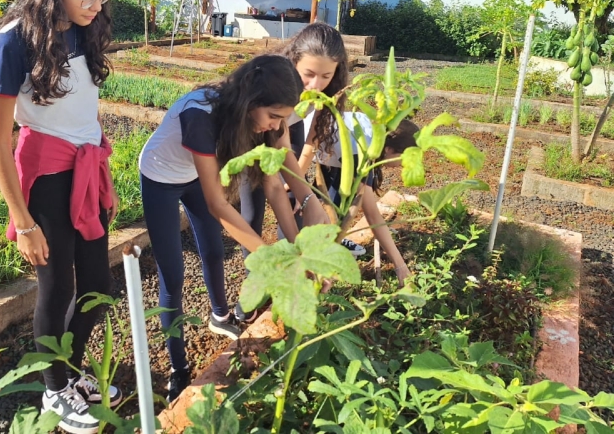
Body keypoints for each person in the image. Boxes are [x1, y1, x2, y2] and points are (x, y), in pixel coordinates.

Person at [0, 0, 121, 434]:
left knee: (98, 286)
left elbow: (84, 107)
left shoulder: (85, 28)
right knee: (57, 288)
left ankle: (69, 371)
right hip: (45, 178)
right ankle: (54, 389)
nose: (95, 4)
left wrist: (103, 174)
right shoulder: (14, 41)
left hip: (87, 170)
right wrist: (22, 221)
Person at [139, 54, 328, 402]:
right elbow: (219, 204)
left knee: (213, 250)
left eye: (282, 119)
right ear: (250, 101)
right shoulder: (201, 115)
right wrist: (274, 262)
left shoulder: (264, 122)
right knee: (173, 275)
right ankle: (178, 367)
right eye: (273, 116)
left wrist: (299, 253)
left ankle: (219, 314)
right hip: (161, 177)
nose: (277, 126)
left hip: (198, 175)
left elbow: (275, 187)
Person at [237, 24, 363, 319]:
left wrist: (297, 182)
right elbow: (270, 168)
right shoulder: (270, 84)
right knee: (251, 212)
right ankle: (255, 284)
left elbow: (311, 138)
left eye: (326, 76)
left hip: (287, 130)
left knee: (295, 204)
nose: (316, 85)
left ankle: (292, 274)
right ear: (293, 60)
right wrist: (282, 184)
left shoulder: (329, 91)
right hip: (255, 133)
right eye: (309, 74)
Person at [299, 112, 420, 286]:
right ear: (389, 150)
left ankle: (328, 240)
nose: (405, 164)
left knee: (337, 199)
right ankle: (307, 267)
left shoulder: (373, 135)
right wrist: (400, 266)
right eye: (405, 158)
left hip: (330, 146)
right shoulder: (362, 151)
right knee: (300, 212)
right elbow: (372, 215)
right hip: (297, 143)